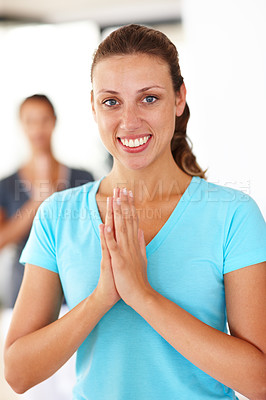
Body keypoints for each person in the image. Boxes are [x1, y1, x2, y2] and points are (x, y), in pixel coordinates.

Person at [4, 24, 266, 400]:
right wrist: (101, 298)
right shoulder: (57, 216)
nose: (129, 122)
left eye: (149, 99)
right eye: (111, 101)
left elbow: (259, 381)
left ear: (179, 99)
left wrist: (142, 295)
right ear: (93, 108)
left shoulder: (233, 215)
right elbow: (17, 372)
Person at [0, 94, 94, 307]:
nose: (38, 128)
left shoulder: (83, 178)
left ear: (54, 121)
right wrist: (36, 203)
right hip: (24, 292)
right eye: (30, 121)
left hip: (76, 290)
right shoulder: (6, 185)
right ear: (21, 125)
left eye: (44, 120)